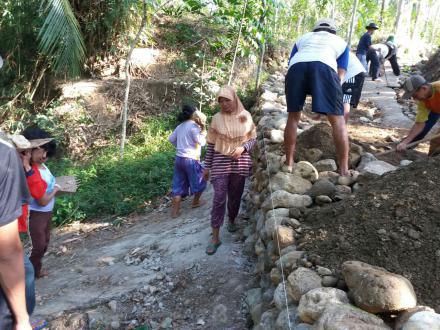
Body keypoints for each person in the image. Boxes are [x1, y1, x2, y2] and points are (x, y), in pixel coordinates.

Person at [284, 18, 350, 176]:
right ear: (333, 32)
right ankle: (344, 171)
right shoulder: (340, 42)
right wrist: (330, 98)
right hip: (324, 67)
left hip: (296, 68)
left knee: (293, 117)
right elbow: (340, 75)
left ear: (315, 30)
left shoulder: (303, 38)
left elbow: (292, 62)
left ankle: (288, 163)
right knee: (338, 121)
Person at [203, 86, 256, 255]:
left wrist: (243, 148)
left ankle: (232, 219)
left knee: (235, 197)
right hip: (220, 162)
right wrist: (206, 166)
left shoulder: (245, 116)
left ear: (235, 99)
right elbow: (211, 145)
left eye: (227, 100)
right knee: (219, 198)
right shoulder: (216, 119)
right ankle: (215, 237)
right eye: (221, 101)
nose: (224, 104)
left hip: (240, 162)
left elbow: (252, 138)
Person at [0, 131, 32, 330]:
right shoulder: (4, 154)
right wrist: (22, 320)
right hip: (10, 236)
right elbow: (7, 253)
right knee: (26, 272)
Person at [22, 127, 59, 279]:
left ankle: (35, 270)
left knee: (44, 243)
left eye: (46, 153)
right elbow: (42, 200)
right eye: (41, 151)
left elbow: (45, 189)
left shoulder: (41, 166)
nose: (44, 156)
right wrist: (56, 190)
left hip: (46, 213)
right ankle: (29, 273)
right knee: (38, 246)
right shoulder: (30, 170)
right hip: (36, 213)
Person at [168, 105, 208, 218]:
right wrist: (203, 130)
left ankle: (174, 212)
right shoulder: (194, 127)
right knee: (201, 180)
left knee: (178, 185)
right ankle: (195, 202)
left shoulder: (180, 126)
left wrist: (179, 147)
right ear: (193, 114)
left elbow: (171, 139)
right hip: (191, 159)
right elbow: (202, 142)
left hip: (179, 159)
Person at [397, 75, 440, 155]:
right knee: (435, 142)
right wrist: (405, 142)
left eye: (415, 95)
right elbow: (419, 124)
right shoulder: (423, 101)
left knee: (437, 139)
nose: (414, 99)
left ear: (424, 88)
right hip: (435, 109)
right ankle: (431, 159)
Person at [342, 52, 366, 122]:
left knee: (345, 100)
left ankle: (342, 126)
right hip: (352, 72)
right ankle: (340, 126)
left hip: (352, 74)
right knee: (344, 99)